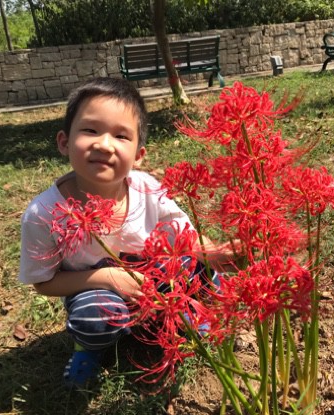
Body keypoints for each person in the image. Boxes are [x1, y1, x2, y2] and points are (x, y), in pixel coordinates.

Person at [19, 77, 234, 388]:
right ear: (64, 142)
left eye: (121, 136)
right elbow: (43, 282)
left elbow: (184, 235)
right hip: (99, 293)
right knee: (93, 317)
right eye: (90, 130)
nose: (104, 144)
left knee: (196, 265)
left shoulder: (147, 187)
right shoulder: (43, 213)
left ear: (138, 155)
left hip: (154, 283)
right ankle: (90, 349)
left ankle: (173, 316)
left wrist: (212, 252)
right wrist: (108, 277)